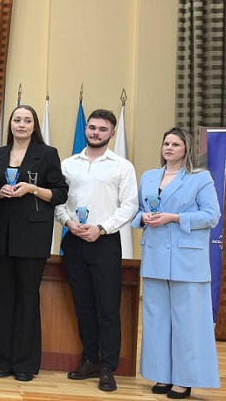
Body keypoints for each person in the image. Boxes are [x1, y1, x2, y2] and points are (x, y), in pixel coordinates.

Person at [133, 127, 220, 399]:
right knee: (156, 320)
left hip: (187, 259)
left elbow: (212, 215)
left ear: (186, 149)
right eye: (166, 143)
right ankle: (162, 374)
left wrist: (174, 218)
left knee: (188, 323)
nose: (169, 148)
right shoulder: (149, 176)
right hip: (155, 256)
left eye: (175, 144)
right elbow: (138, 211)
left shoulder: (200, 177)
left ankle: (184, 380)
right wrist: (142, 218)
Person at [55, 109, 137, 392]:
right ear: (86, 129)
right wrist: (68, 223)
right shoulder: (68, 165)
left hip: (105, 242)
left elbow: (129, 205)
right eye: (92, 127)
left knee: (108, 308)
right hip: (74, 240)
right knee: (84, 305)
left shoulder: (122, 166)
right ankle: (90, 359)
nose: (96, 133)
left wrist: (101, 228)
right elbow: (58, 201)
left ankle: (107, 368)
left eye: (103, 129)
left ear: (112, 133)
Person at [0, 105, 68, 381]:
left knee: (27, 297)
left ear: (34, 126)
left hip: (32, 236)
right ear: (10, 124)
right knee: (4, 296)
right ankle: (1, 360)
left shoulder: (47, 154)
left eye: (27, 120)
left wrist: (33, 189)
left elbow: (60, 193)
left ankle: (24, 363)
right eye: (17, 120)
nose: (21, 125)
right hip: (1, 236)